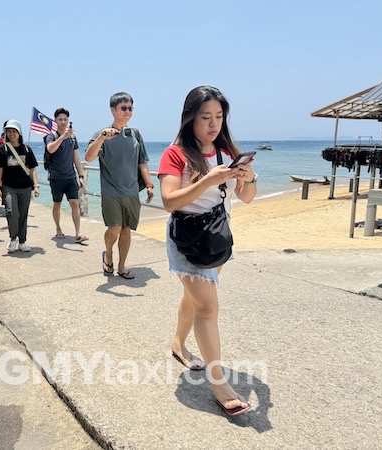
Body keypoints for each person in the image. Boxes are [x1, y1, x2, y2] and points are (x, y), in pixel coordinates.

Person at [158, 85, 258, 416]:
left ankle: (178, 343)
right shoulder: (175, 153)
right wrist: (207, 180)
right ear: (190, 118)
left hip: (217, 238)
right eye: (205, 117)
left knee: (196, 299)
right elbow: (169, 201)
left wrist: (250, 176)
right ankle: (219, 382)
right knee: (208, 307)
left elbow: (245, 197)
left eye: (219, 116)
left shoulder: (227, 150)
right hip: (187, 239)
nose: (213, 124)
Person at [85, 92, 153, 280]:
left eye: (130, 108)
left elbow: (142, 162)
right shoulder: (102, 134)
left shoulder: (135, 134)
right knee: (114, 227)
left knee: (126, 230)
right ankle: (108, 254)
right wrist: (101, 138)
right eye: (124, 108)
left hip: (131, 191)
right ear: (113, 110)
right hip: (111, 191)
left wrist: (149, 184)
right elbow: (89, 157)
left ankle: (122, 266)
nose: (128, 111)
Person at [0, 120, 40, 253]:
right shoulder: (2, 149)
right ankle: (13, 239)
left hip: (25, 187)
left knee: (23, 215)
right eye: (9, 131)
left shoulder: (26, 149)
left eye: (14, 131)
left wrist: (36, 185)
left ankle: (23, 241)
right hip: (9, 187)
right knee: (12, 213)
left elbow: (33, 169)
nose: (11, 134)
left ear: (19, 133)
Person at [44, 108, 88, 243]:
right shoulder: (51, 136)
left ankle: (78, 233)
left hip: (70, 177)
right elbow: (50, 148)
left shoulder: (73, 138)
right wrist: (63, 136)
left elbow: (76, 158)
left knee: (74, 203)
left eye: (65, 119)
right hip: (56, 177)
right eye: (60, 119)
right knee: (57, 204)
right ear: (55, 121)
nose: (63, 122)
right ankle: (58, 228)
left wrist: (80, 176)